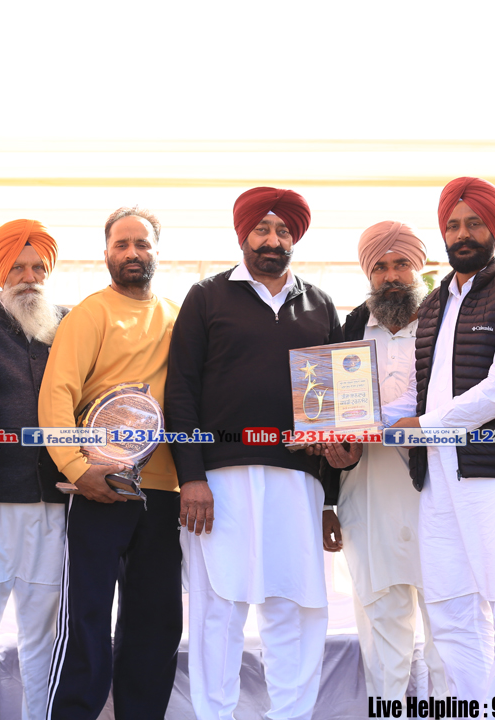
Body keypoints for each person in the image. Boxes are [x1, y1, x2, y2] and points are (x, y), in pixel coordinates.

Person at [165, 187, 342, 720]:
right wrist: (191, 476)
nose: (273, 240)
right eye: (262, 229)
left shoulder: (320, 304)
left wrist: (330, 499)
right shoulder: (206, 296)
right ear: (243, 235)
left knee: (295, 606)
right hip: (219, 479)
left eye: (283, 230)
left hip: (299, 480)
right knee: (219, 609)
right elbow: (181, 391)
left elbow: (334, 408)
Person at [383, 177, 495, 700]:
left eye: (474, 223)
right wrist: (364, 423)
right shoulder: (432, 303)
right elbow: (418, 390)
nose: (462, 234)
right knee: (450, 609)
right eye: (452, 225)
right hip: (437, 476)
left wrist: (424, 426)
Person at [39, 207, 181, 720]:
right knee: (88, 620)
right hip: (98, 487)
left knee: (156, 624)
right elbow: (57, 395)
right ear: (106, 253)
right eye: (121, 244)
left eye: (142, 243)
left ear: (157, 251)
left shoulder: (178, 318)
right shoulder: (89, 314)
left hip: (163, 494)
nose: (132, 253)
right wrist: (78, 469)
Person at [318, 221, 447, 700]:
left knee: (447, 629)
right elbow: (327, 419)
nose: (391, 276)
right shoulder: (349, 328)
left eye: (401, 264)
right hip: (367, 494)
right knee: (382, 630)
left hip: (437, 492)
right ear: (368, 274)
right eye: (380, 267)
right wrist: (328, 499)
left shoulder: (445, 321)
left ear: (420, 267)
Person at [0, 220, 69, 720]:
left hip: (53, 504)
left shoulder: (68, 323)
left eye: (38, 268)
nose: (29, 277)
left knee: (43, 636)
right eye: (18, 268)